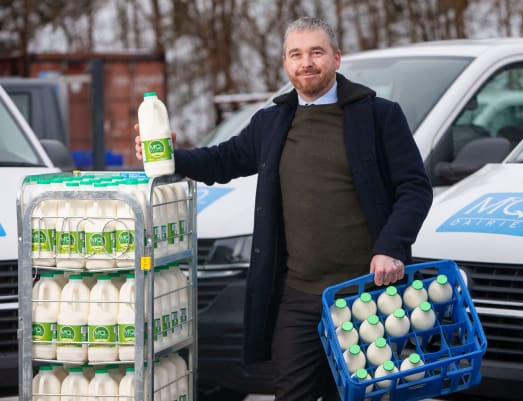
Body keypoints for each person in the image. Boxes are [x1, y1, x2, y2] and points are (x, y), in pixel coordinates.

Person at [135, 16, 433, 401]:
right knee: (292, 393)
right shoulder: (272, 121)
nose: (306, 62)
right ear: (285, 64)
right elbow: (222, 161)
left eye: (316, 52)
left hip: (366, 292)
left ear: (337, 58)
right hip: (298, 295)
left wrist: (391, 247)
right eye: (296, 54)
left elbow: (415, 188)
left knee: (365, 395)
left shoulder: (378, 115)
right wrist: (169, 157)